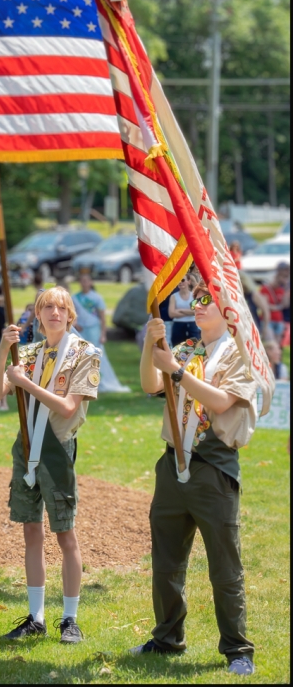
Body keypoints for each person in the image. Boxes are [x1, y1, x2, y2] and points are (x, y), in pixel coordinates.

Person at [134, 275, 260, 676]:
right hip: (172, 464)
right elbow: (149, 383)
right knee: (166, 562)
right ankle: (167, 638)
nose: (198, 305)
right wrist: (151, 345)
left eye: (208, 300)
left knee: (225, 565)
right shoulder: (187, 348)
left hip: (213, 467)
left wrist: (176, 372)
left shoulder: (240, 353)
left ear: (229, 310)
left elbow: (222, 402)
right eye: (197, 299)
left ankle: (238, 649)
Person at [0, 286, 100, 644]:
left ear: (71, 315)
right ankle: (35, 617)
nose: (54, 312)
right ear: (37, 315)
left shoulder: (84, 353)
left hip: (56, 450)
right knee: (31, 532)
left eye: (61, 307)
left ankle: (70, 619)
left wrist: (25, 384)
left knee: (65, 534)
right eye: (47, 307)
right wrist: (4, 350)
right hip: (25, 449)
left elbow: (67, 408)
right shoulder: (29, 353)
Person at [72, 271, 129, 394]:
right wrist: (75, 324)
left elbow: (102, 317)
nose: (84, 283)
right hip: (81, 330)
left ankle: (101, 380)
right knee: (81, 355)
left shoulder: (97, 297)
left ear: (90, 282)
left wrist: (103, 334)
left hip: (94, 330)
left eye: (86, 281)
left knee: (96, 355)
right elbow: (72, 313)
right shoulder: (75, 298)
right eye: (82, 281)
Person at [260, 262, 290, 344]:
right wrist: (277, 307)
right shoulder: (265, 288)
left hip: (279, 320)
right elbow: (264, 306)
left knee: (277, 345)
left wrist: (286, 289)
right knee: (270, 344)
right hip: (268, 321)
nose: (284, 279)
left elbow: (285, 305)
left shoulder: (281, 290)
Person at [168, 277, 200, 345]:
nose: (180, 282)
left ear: (189, 281)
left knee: (195, 346)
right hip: (178, 325)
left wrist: (180, 310)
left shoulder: (194, 295)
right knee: (178, 348)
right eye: (178, 280)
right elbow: (171, 314)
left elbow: (196, 311)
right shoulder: (174, 296)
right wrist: (190, 312)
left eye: (182, 280)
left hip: (192, 325)